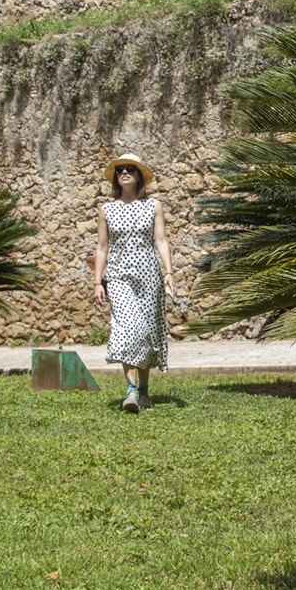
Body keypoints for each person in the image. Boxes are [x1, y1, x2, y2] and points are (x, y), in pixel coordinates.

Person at [91, 153, 179, 411]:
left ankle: (143, 391)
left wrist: (169, 272)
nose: (124, 173)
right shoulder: (106, 209)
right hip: (118, 276)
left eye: (130, 169)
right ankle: (130, 392)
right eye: (120, 170)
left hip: (148, 275)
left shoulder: (154, 206)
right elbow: (102, 247)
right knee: (127, 327)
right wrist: (98, 282)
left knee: (147, 332)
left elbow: (161, 241)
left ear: (139, 175)